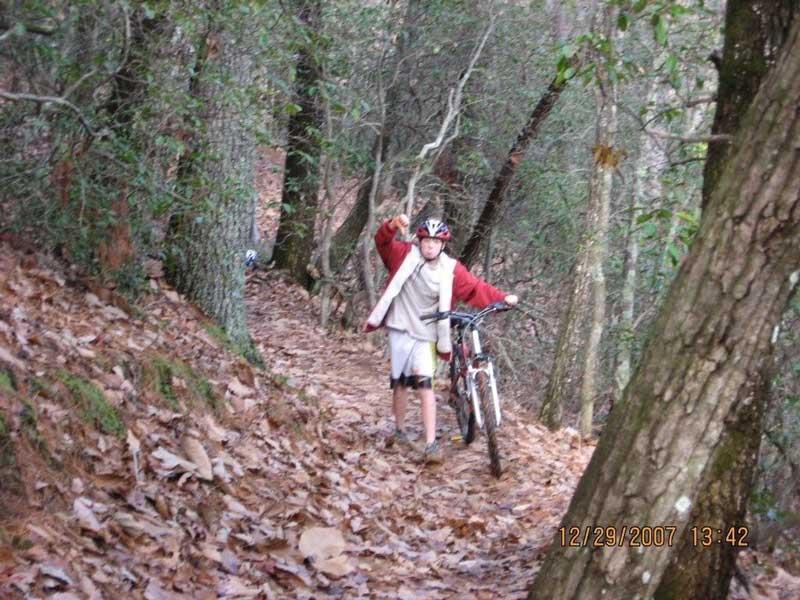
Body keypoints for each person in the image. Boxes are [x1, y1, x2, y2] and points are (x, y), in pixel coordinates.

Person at [363, 214, 518, 464]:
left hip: (427, 333)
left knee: (425, 383)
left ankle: (430, 443)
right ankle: (400, 430)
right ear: (419, 241)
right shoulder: (403, 255)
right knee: (401, 382)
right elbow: (381, 242)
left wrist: (503, 298)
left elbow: (475, 288)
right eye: (426, 241)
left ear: (442, 245)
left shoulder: (450, 269)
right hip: (401, 327)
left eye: (435, 242)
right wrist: (391, 225)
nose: (430, 246)